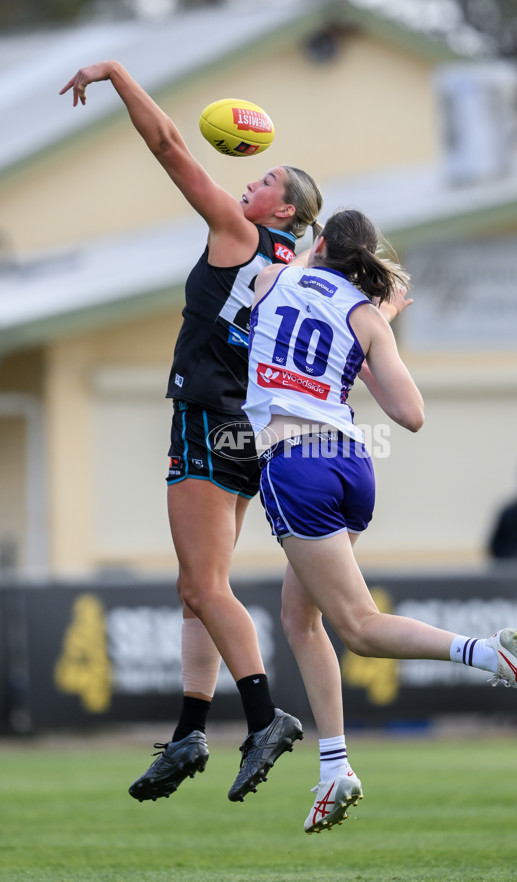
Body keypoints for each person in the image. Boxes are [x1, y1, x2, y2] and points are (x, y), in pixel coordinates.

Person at [59, 61, 325, 804]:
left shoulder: (241, 231)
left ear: (283, 210)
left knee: (204, 587)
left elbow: (172, 147)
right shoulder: (285, 260)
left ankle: (265, 717)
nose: (253, 181)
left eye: (270, 179)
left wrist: (116, 74)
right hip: (241, 423)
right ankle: (187, 732)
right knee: (195, 590)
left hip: (209, 417)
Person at [244, 208, 517, 833]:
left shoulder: (273, 278)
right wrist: (377, 324)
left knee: (358, 627)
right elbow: (410, 414)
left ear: (320, 243)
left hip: (296, 464)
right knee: (300, 619)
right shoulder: (364, 314)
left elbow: (279, 286)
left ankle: (485, 653)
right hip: (351, 464)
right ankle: (335, 769)